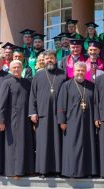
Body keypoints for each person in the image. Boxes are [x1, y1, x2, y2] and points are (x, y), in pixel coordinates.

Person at [29, 50, 67, 178]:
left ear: (56, 60)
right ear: (43, 61)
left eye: (52, 58)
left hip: (58, 114)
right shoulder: (38, 76)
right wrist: (33, 112)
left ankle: (57, 169)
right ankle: (43, 170)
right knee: (43, 143)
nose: (49, 60)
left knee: (57, 142)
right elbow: (32, 96)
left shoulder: (63, 75)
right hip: (43, 115)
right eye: (47, 59)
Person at [58, 61, 99, 178]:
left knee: (88, 145)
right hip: (71, 121)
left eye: (82, 70)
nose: (80, 72)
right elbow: (61, 104)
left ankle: (88, 171)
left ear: (86, 72)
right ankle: (72, 171)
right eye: (78, 70)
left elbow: (96, 104)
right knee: (73, 146)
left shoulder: (91, 86)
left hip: (88, 121)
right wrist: (62, 121)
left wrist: (96, 118)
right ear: (73, 71)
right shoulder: (66, 85)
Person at [0, 60, 35, 178]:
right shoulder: (6, 83)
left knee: (26, 143)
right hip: (12, 118)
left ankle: (26, 169)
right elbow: (1, 103)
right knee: (14, 145)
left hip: (25, 118)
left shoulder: (27, 83)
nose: (16, 70)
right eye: (14, 68)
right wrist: (0, 120)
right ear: (10, 69)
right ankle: (14, 171)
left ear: (22, 68)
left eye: (18, 67)